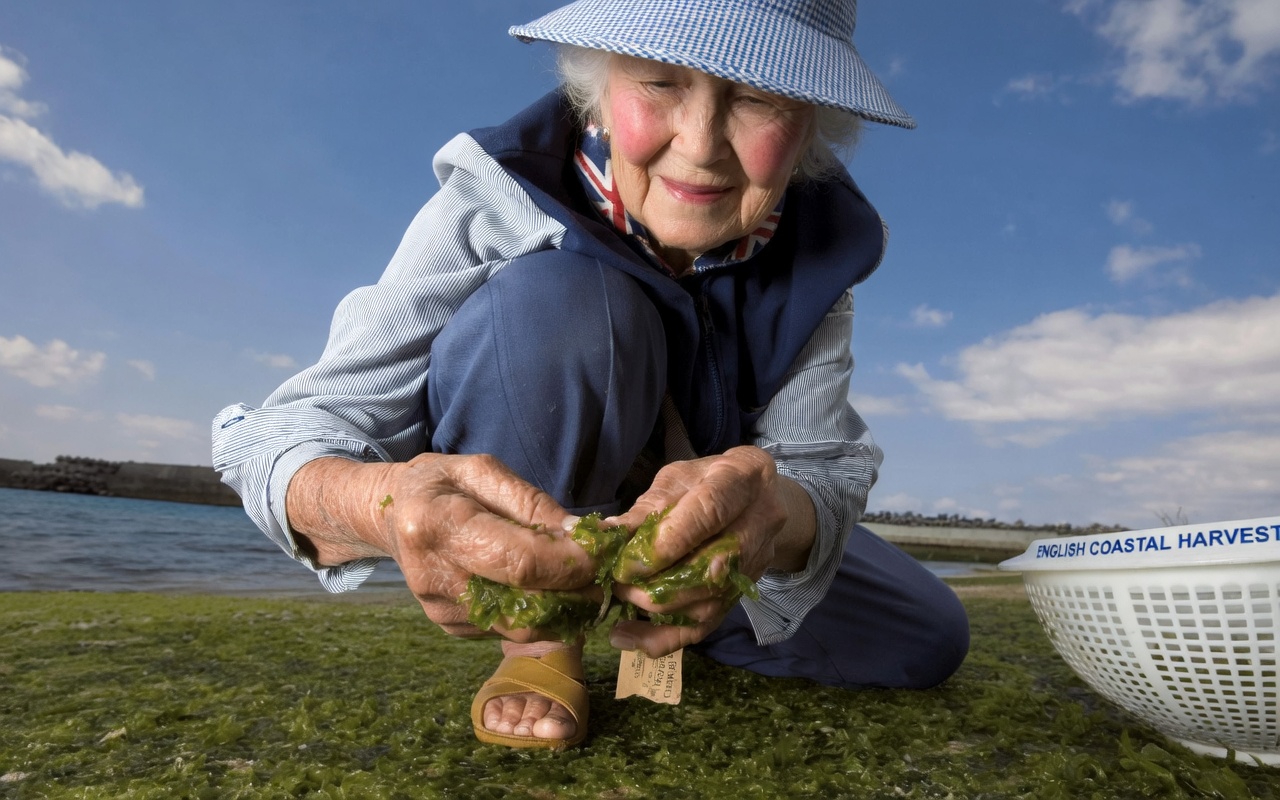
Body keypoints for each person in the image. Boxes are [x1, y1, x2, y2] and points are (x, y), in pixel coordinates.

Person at [212, 0, 970, 750]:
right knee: (566, 302)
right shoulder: (497, 192)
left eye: (756, 97)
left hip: (690, 527)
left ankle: (669, 610)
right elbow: (281, 439)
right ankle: (542, 639)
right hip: (535, 494)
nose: (701, 145)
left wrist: (771, 517)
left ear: (810, 126)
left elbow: (817, 461)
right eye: (660, 82)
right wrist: (381, 508)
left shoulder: (822, 248)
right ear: (602, 89)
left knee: (924, 636)